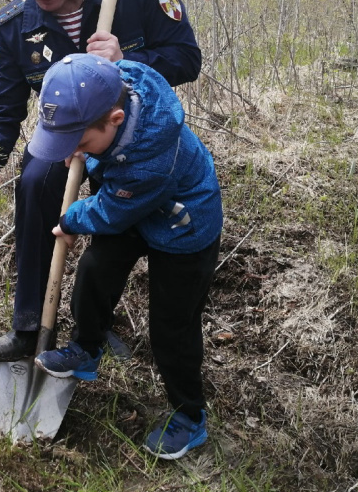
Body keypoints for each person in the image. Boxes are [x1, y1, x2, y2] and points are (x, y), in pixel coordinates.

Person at [0, 0, 202, 362]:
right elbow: (1, 108)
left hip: (127, 134)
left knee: (115, 226)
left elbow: (187, 58)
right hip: (62, 135)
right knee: (34, 182)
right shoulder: (13, 27)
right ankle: (30, 326)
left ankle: (93, 328)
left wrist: (128, 60)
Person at [29, 53, 223, 460]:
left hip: (184, 226)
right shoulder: (116, 84)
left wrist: (70, 219)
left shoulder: (151, 160)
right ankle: (86, 348)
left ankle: (190, 415)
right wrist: (81, 145)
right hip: (134, 205)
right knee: (95, 270)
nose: (73, 150)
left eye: (80, 142)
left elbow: (110, 210)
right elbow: (103, 85)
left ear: (116, 119)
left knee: (171, 327)